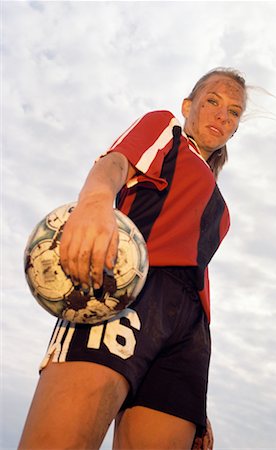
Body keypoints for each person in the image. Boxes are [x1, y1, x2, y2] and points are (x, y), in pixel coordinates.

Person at [18, 67, 247, 450]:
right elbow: (114, 163)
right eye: (212, 101)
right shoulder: (167, 132)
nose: (223, 115)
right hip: (130, 287)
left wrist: (196, 395)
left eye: (234, 112)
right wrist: (94, 203)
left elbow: (196, 273)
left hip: (190, 331)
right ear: (188, 106)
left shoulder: (217, 202)